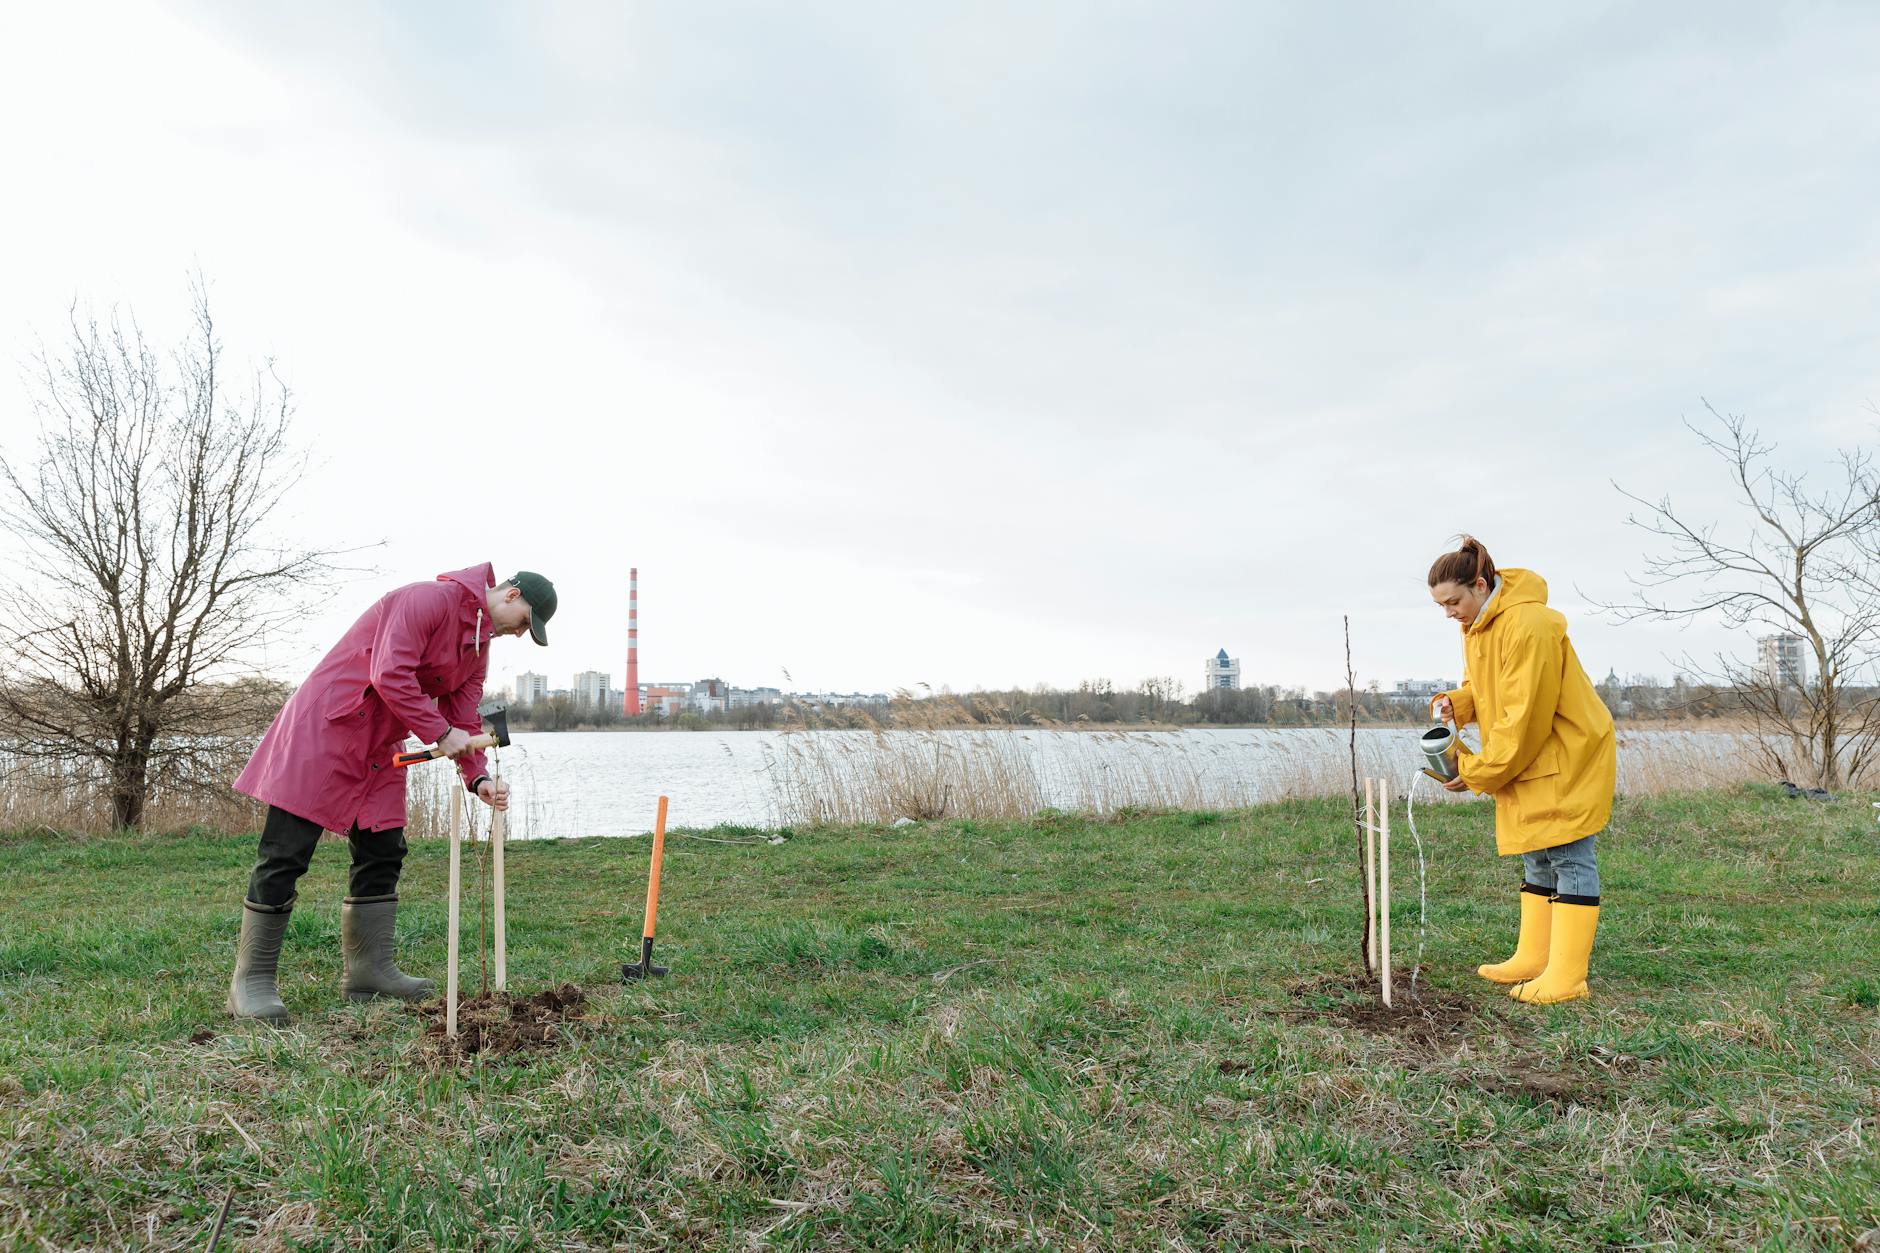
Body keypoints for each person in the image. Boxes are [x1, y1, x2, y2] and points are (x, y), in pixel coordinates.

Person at [226, 564, 557, 1020]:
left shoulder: (478, 648)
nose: (521, 634)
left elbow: (463, 716)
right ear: (512, 595)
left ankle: (369, 971)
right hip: (327, 729)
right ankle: (252, 981)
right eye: (525, 623)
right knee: (286, 853)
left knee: (384, 850)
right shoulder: (426, 601)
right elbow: (389, 673)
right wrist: (439, 733)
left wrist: (477, 778)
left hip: (381, 747)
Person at [1429, 537, 1614, 1004]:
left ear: (1480, 583)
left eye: (1454, 601)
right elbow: (1488, 689)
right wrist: (1460, 702)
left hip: (1562, 751)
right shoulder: (1478, 626)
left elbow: (1524, 717)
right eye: (1441, 606)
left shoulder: (1529, 625)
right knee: (1536, 852)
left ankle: (1568, 977)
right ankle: (1535, 958)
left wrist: (1475, 772)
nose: (1450, 613)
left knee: (1569, 856)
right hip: (1529, 756)